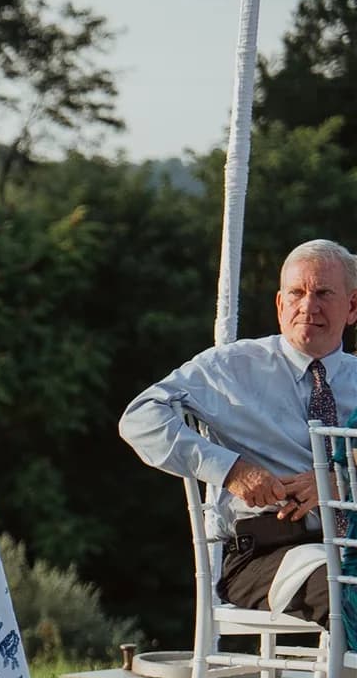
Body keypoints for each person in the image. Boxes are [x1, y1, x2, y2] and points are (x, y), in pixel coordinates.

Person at [121, 238, 357, 625]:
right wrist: (230, 470)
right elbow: (140, 417)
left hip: (351, 547)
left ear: (352, 306)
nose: (307, 307)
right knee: (350, 590)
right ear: (280, 305)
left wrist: (340, 485)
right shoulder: (232, 368)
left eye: (323, 293)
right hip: (269, 552)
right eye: (296, 293)